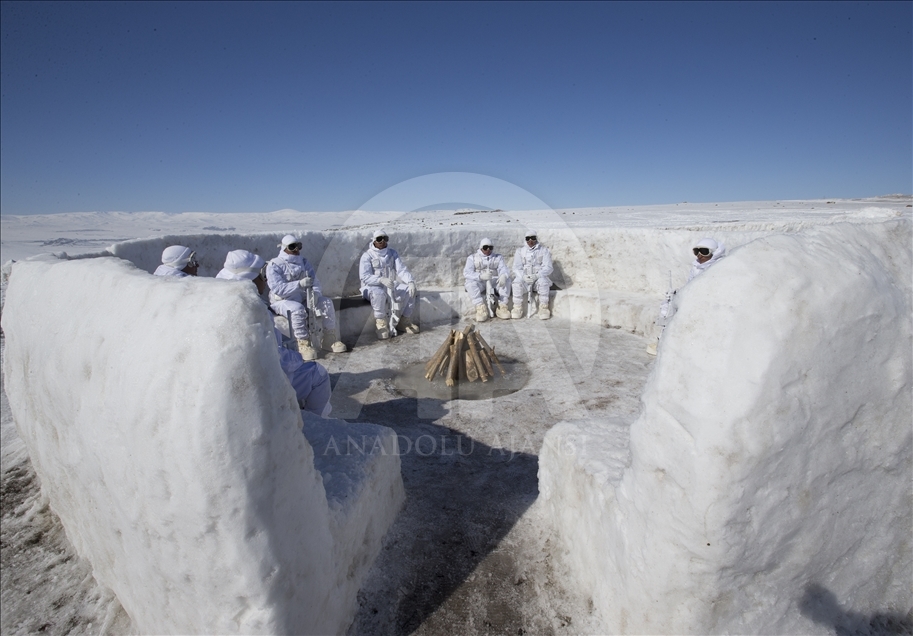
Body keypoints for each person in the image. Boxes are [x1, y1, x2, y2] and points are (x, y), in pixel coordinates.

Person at [215, 249, 332, 417]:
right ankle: (316, 424)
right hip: (260, 383)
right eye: (262, 274)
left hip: (232, 381)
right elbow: (272, 357)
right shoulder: (254, 312)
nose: (265, 279)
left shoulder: (221, 305)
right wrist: (297, 357)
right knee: (318, 373)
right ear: (250, 278)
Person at [265, 235, 347, 361]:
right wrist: (298, 284)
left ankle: (329, 339)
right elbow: (278, 288)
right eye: (292, 247)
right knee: (297, 309)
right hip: (283, 300)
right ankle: (303, 343)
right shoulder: (275, 264)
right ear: (284, 248)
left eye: (298, 246)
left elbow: (315, 281)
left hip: (304, 297)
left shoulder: (303, 262)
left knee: (326, 303)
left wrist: (315, 294)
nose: (296, 250)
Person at [647, 237, 727, 356]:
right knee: (668, 308)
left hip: (708, 305)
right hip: (692, 300)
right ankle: (665, 342)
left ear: (714, 252)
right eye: (697, 252)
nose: (699, 255)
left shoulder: (719, 268)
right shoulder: (696, 267)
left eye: (704, 252)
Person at [359, 229, 419, 339]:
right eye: (379, 239)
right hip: (371, 288)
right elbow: (365, 277)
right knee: (379, 293)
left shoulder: (392, 253)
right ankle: (381, 323)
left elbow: (401, 270)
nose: (382, 241)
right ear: (374, 241)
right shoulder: (367, 256)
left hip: (390, 285)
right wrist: (380, 280)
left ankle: (404, 320)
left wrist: (410, 281)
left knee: (409, 290)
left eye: (385, 239)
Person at [464, 238, 511, 321]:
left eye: (490, 247)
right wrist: (480, 276)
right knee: (470, 283)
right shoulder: (472, 258)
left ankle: (502, 306)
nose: (488, 250)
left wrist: (503, 275)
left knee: (506, 281)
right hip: (480, 282)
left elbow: (503, 268)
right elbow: (467, 273)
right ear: (481, 248)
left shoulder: (498, 257)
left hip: (493, 281)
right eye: (485, 247)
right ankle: (480, 308)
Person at [511, 231, 554, 319]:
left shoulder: (543, 250)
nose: (530, 241)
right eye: (528, 238)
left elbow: (548, 267)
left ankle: (543, 308)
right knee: (516, 282)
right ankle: (517, 307)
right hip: (525, 280)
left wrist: (537, 276)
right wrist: (523, 276)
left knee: (543, 282)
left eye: (533, 238)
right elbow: (516, 267)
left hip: (537, 279)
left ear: (536, 238)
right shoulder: (520, 251)